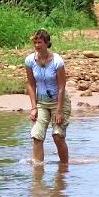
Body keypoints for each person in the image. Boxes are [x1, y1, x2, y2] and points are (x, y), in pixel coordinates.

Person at [25, 29, 71, 165]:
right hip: (41, 103)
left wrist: (59, 110)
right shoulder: (29, 61)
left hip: (59, 102)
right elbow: (31, 84)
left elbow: (62, 86)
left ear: (47, 43)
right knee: (37, 136)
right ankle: (38, 169)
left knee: (57, 136)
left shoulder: (57, 61)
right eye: (35, 43)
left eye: (39, 42)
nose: (37, 46)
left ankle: (64, 168)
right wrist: (33, 107)